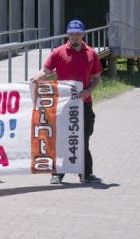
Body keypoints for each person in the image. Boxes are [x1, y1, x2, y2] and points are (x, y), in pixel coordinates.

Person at [32, 19, 102, 185]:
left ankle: (86, 173)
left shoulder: (91, 53)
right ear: (67, 34)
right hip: (63, 104)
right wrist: (37, 78)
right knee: (62, 138)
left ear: (83, 34)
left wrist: (88, 91)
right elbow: (46, 70)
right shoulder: (58, 52)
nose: (75, 37)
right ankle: (57, 174)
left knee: (83, 139)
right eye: (71, 33)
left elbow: (97, 78)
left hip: (84, 103)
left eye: (78, 34)